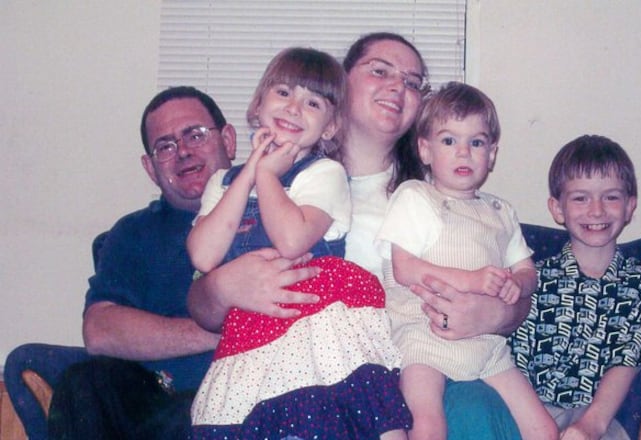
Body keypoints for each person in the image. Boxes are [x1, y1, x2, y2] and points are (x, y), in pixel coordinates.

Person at [187, 32, 530, 440]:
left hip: (423, 370)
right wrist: (224, 287)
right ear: (341, 83)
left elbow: (511, 282)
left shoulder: (439, 195)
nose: (397, 87)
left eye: (412, 82)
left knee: (473, 410)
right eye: (380, 71)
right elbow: (200, 300)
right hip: (288, 373)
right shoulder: (262, 185)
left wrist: (497, 315)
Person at [3, 85, 317, 440]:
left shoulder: (282, 204)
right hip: (157, 403)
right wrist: (220, 331)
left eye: (195, 135)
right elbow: (100, 330)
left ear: (228, 140)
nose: (183, 151)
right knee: (85, 382)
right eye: (164, 146)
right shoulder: (133, 233)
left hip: (257, 392)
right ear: (150, 168)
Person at [187, 47, 409, 439]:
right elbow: (205, 254)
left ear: (328, 128)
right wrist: (251, 172)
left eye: (313, 102)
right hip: (248, 336)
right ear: (258, 106)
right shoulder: (222, 182)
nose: (294, 108)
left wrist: (270, 178)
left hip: (316, 329)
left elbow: (291, 240)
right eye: (284, 93)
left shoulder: (325, 173)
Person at [375, 82, 558, 440]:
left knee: (546, 430)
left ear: (492, 154)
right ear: (425, 150)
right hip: (422, 337)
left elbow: (526, 269)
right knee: (427, 426)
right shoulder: (415, 197)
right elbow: (404, 269)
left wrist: (517, 284)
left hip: (487, 344)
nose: (464, 152)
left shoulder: (500, 210)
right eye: (449, 141)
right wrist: (472, 281)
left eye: (476, 142)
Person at [509, 135, 641, 440]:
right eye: (580, 198)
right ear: (557, 208)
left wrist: (589, 426)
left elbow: (632, 354)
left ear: (630, 206)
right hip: (533, 417)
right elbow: (514, 360)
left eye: (611, 197)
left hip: (610, 418)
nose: (597, 210)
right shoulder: (532, 280)